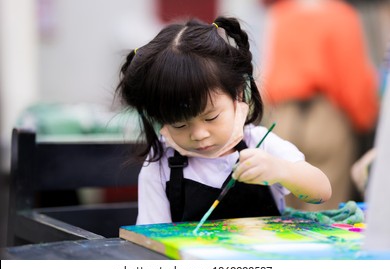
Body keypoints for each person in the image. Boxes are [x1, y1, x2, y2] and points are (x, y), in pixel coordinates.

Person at [116, 16, 331, 225]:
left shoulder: (258, 142)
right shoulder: (160, 164)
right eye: (179, 125)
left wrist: (282, 171)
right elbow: (152, 238)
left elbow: (322, 192)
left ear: (237, 95)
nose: (199, 134)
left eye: (211, 117)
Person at [259, 0, 379, 210]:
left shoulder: (282, 13)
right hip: (326, 118)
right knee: (324, 207)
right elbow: (354, 82)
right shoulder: (342, 16)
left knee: (284, 209)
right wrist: (365, 122)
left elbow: (268, 70)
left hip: (283, 116)